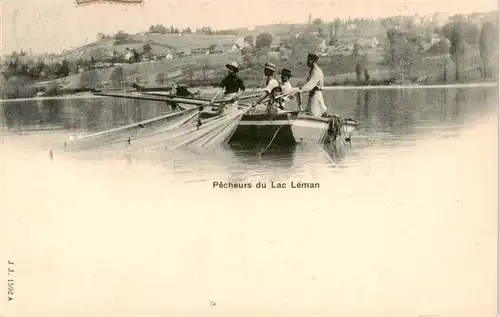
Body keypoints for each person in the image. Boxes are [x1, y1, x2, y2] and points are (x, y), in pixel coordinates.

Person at [299, 53, 327, 117]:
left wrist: (300, 90)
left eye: (309, 60)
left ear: (313, 61)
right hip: (312, 96)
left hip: (316, 96)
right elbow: (308, 84)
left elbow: (310, 84)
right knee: (309, 112)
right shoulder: (312, 71)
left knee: (314, 114)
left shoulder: (316, 71)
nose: (307, 62)